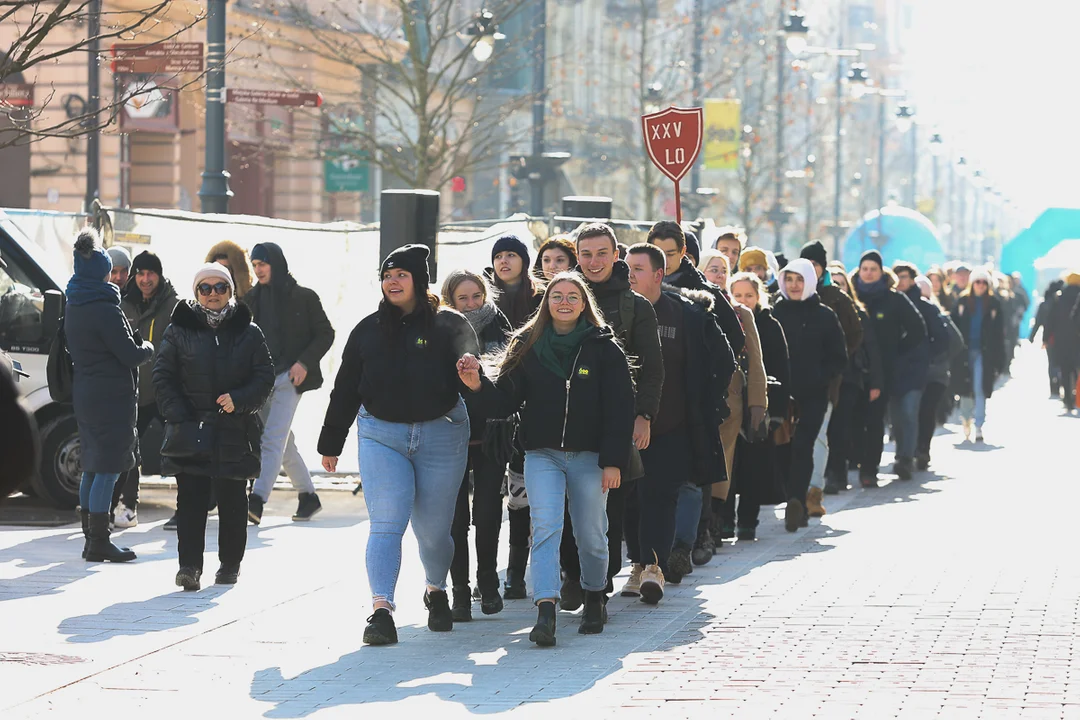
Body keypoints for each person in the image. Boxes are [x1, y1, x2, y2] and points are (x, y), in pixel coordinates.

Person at [457, 272, 635, 646]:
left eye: (573, 296)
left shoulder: (604, 347)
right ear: (547, 303)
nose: (565, 302)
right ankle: (546, 610)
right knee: (546, 528)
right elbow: (504, 400)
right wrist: (476, 386)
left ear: (585, 303)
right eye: (557, 296)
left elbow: (620, 409)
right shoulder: (528, 344)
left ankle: (593, 596)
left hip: (590, 456)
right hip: (541, 454)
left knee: (591, 534)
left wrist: (614, 461)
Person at [318, 245, 478, 646]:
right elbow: (346, 388)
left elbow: (475, 379)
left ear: (419, 281)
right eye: (387, 275)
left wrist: (472, 380)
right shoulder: (368, 329)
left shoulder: (450, 325)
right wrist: (331, 440)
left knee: (435, 531)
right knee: (387, 522)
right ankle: (381, 611)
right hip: (381, 434)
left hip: (442, 432)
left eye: (401, 274)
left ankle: (435, 589)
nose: (392, 281)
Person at [622, 244, 734, 602]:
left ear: (658, 274)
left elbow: (724, 360)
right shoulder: (614, 312)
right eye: (626, 268)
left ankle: (653, 566)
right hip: (624, 425)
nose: (630, 275)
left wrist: (704, 404)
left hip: (673, 426)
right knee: (631, 499)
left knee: (661, 495)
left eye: (637, 269)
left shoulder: (688, 315)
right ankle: (637, 565)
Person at [153, 264, 274, 590]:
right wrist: (178, 414)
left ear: (230, 291)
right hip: (191, 429)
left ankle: (230, 565)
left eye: (220, 287)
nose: (212, 294)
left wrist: (239, 399)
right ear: (196, 293)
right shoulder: (178, 330)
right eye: (205, 288)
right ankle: (189, 567)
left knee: (233, 500)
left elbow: (264, 378)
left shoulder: (249, 332)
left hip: (234, 429)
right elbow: (162, 376)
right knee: (190, 501)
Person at [567, 222, 664, 609]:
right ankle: (574, 576)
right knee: (564, 506)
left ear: (615, 255)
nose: (594, 262)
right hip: (568, 419)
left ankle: (599, 584)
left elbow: (653, 368)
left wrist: (644, 415)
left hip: (618, 420)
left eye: (601, 253)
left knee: (613, 504)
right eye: (586, 254)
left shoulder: (635, 306)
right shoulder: (560, 297)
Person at [65, 229, 154, 562]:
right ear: (100, 273)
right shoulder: (104, 306)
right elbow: (129, 354)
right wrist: (147, 346)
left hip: (87, 392)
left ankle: (91, 538)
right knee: (107, 468)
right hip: (110, 397)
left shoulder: (76, 301)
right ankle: (99, 541)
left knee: (92, 465)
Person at [440, 270, 514, 620]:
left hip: (492, 432)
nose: (471, 304)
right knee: (455, 518)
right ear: (450, 301)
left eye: (476, 296)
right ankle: (459, 590)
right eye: (462, 298)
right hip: (450, 434)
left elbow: (508, 381)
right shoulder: (441, 328)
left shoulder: (500, 325)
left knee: (487, 512)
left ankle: (488, 583)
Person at [246, 242, 335, 524]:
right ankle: (308, 496)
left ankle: (256, 500)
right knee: (283, 440)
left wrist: (304, 363)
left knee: (271, 439)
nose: (258, 269)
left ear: (276, 263)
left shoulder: (304, 297)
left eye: (263, 264)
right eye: (255, 265)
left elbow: (325, 333)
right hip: (260, 382)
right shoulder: (250, 300)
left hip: (289, 379)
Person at [772, 259, 847, 531]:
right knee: (782, 449)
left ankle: (797, 501)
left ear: (810, 282)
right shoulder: (775, 311)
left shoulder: (825, 315)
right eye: (789, 279)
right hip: (781, 394)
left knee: (804, 446)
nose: (794, 285)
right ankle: (792, 497)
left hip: (814, 395)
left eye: (799, 279)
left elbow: (839, 356)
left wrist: (820, 378)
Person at [486, 234, 541, 599]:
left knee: (529, 493)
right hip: (492, 410)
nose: (505, 261)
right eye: (499, 256)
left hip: (533, 407)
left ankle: (523, 571)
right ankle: (503, 574)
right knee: (500, 497)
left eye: (511, 255)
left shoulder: (541, 299)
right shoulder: (482, 300)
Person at [848, 251, 926, 487]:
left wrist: (896, 350)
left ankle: (869, 470)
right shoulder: (850, 297)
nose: (869, 273)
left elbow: (917, 329)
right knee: (853, 420)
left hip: (881, 372)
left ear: (881, 272)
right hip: (852, 369)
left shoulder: (894, 299)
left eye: (873, 269)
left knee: (874, 421)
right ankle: (853, 461)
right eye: (865, 269)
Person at [114, 250, 179, 529]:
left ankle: (188, 507)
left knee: (180, 448)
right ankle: (126, 507)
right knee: (126, 451)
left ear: (160, 275)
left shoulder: (173, 306)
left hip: (165, 391)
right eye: (140, 273)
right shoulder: (122, 305)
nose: (145, 279)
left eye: (151, 273)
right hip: (133, 393)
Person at [724, 272, 790, 541]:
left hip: (758, 406)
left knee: (753, 467)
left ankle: (748, 521)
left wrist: (776, 414)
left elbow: (781, 369)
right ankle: (724, 520)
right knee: (727, 466)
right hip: (729, 406)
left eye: (749, 295)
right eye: (738, 295)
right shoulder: (724, 320)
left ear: (758, 296)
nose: (743, 300)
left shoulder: (769, 324)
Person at [798, 241, 863, 498]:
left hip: (827, 380)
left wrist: (836, 359)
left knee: (820, 434)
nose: (811, 269)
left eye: (815, 264)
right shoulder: (787, 293)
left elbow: (856, 333)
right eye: (807, 264)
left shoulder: (836, 297)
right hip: (795, 378)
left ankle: (815, 487)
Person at [891, 261, 947, 479]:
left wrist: (925, 357)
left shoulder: (925, 306)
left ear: (912, 279)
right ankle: (901, 453)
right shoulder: (890, 304)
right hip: (893, 370)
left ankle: (906, 457)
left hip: (916, 371)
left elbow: (942, 339)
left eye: (904, 276)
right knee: (896, 417)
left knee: (909, 412)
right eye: (897, 277)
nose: (901, 281)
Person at [915, 275, 965, 469]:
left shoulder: (940, 317)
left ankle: (922, 449)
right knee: (912, 411)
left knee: (926, 411)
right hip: (913, 373)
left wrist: (940, 360)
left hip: (935, 376)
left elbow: (957, 342)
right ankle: (909, 449)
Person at [953, 267, 1006, 442]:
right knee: (965, 388)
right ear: (972, 283)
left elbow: (999, 333)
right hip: (964, 352)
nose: (981, 285)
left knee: (979, 387)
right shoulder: (962, 302)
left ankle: (979, 425)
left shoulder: (993, 304)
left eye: (984, 282)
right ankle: (966, 419)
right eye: (977, 281)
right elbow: (954, 327)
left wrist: (1000, 359)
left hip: (984, 353)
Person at [1031, 280, 1065, 397]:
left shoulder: (1044, 304)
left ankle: (1053, 387)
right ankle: (1061, 384)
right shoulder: (1062, 303)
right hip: (1062, 338)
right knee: (1061, 362)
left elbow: (1038, 322)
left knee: (1052, 362)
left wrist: (1032, 336)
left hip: (1049, 338)